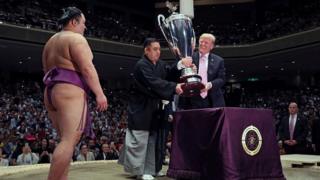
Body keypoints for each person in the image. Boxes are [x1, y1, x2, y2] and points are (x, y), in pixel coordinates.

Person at [42, 7, 108, 180]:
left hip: (51, 91)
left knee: (65, 140)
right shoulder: (76, 38)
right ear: (74, 22)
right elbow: (87, 68)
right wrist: (100, 93)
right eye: (83, 23)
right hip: (70, 90)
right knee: (69, 141)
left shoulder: (51, 40)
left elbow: (46, 70)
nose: (85, 28)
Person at [118, 38, 184, 180]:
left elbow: (169, 74)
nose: (158, 52)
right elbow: (153, 82)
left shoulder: (160, 64)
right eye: (154, 49)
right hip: (141, 108)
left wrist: (179, 64)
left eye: (159, 49)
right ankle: (139, 171)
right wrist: (173, 87)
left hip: (155, 108)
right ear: (146, 50)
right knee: (139, 140)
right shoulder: (141, 65)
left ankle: (150, 168)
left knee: (152, 140)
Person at [178, 33, 226, 109]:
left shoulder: (219, 60)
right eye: (201, 41)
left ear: (212, 46)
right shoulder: (189, 57)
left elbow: (221, 79)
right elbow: (178, 75)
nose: (202, 44)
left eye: (206, 42)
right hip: (191, 99)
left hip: (212, 100)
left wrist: (209, 85)